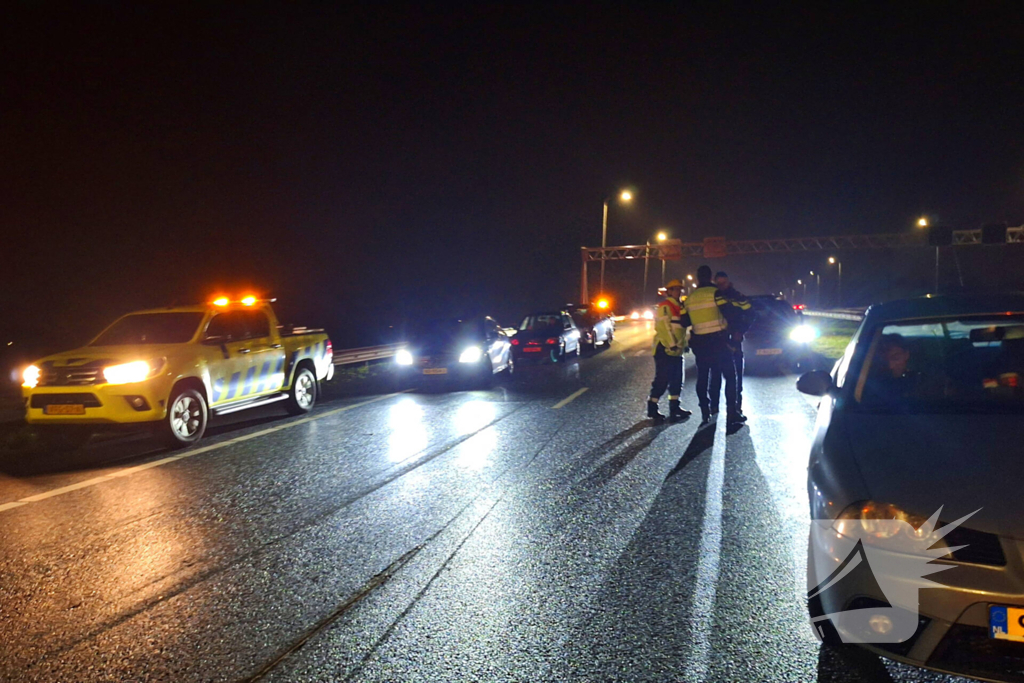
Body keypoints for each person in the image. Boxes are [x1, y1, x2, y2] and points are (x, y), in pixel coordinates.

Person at [684, 265, 743, 426]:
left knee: (703, 376)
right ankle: (732, 412)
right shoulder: (716, 293)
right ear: (710, 277)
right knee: (730, 376)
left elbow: (683, 321)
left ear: (697, 278)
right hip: (719, 342)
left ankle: (705, 410)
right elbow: (729, 312)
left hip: (700, 344)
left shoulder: (690, 298)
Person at [709, 271, 753, 419]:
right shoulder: (714, 296)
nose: (721, 286)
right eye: (718, 284)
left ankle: (735, 409)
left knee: (735, 377)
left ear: (728, 282)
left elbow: (751, 314)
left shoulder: (737, 296)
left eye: (723, 283)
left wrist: (740, 331)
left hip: (733, 341)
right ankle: (714, 408)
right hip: (718, 341)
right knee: (716, 376)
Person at [648, 279, 692, 422]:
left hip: (676, 350)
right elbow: (663, 327)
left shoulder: (680, 306)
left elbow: (681, 329)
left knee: (677, 380)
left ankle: (675, 407)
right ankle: (652, 408)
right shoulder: (665, 306)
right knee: (662, 379)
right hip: (665, 349)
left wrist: (683, 345)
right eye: (675, 289)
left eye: (680, 289)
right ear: (669, 291)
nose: (678, 292)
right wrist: (671, 344)